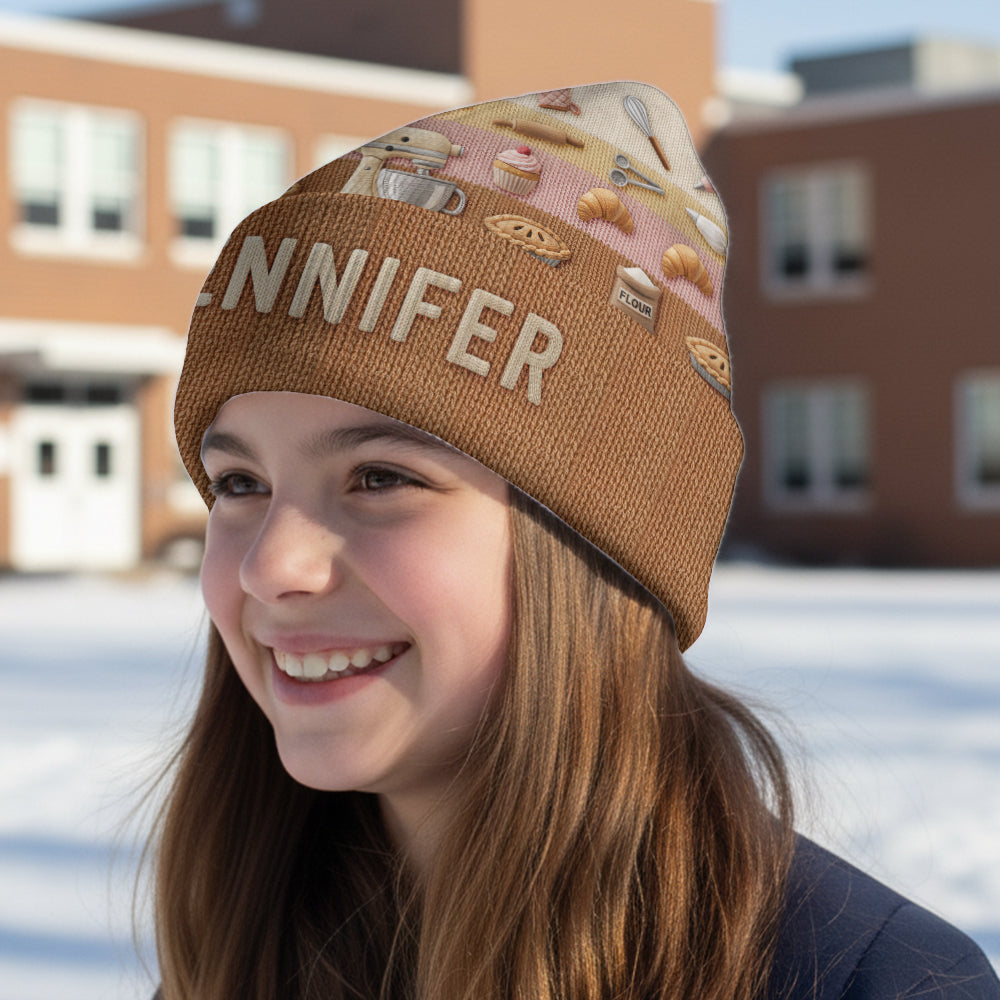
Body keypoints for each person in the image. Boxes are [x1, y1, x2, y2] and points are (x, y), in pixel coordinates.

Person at [156, 81, 999, 1000]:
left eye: (382, 478)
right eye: (239, 483)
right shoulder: (244, 948)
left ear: (599, 545)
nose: (272, 565)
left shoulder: (876, 984)